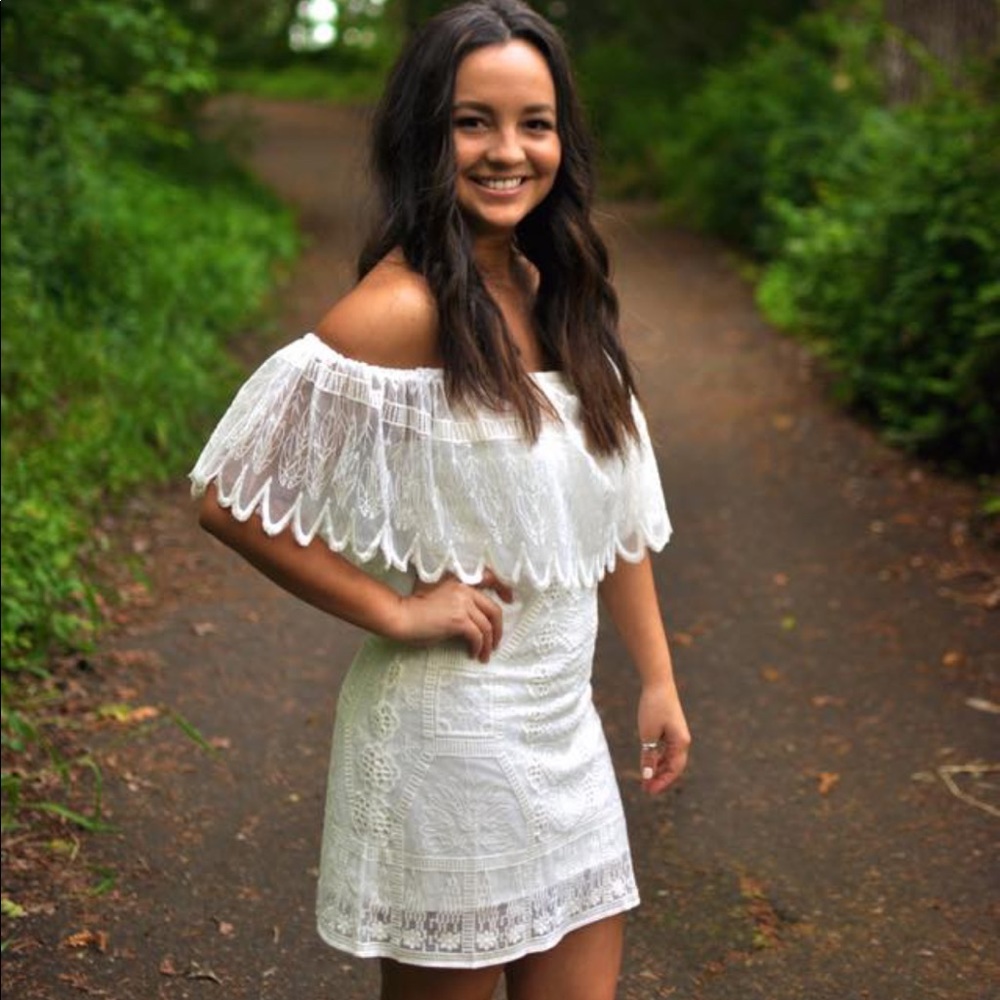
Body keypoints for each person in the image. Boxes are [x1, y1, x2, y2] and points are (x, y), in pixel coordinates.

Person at [190, 1, 690, 997]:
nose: (508, 150)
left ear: (562, 140)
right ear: (427, 134)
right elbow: (228, 494)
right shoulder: (400, 306)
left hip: (564, 730)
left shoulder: (562, 292)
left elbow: (609, 516)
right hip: (447, 738)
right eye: (474, 121)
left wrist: (657, 678)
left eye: (533, 122)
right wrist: (393, 607)